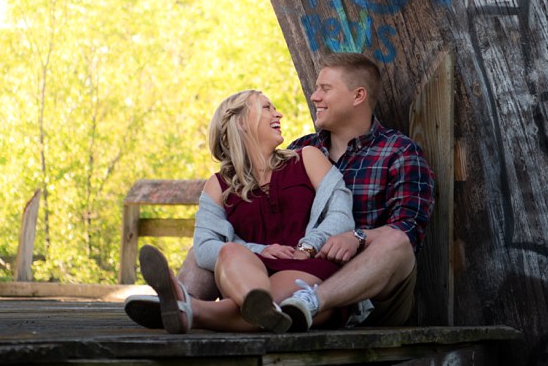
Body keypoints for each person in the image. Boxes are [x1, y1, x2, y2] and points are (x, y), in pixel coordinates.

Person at [174, 52, 435, 332]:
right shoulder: (301, 149)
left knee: (395, 242)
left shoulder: (399, 151)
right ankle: (177, 303)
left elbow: (409, 230)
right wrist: (258, 249)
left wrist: (356, 237)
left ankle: (197, 310)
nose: (314, 97)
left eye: (325, 88)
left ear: (358, 96)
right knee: (209, 247)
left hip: (366, 285)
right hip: (295, 268)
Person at [125, 88, 355, 333]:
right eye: (267, 108)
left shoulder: (307, 158)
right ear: (242, 122)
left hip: (307, 267)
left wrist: (308, 246)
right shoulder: (218, 185)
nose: (279, 115)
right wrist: (261, 250)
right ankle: (248, 306)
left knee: (283, 299)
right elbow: (204, 247)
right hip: (246, 274)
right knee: (230, 251)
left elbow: (341, 215)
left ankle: (187, 307)